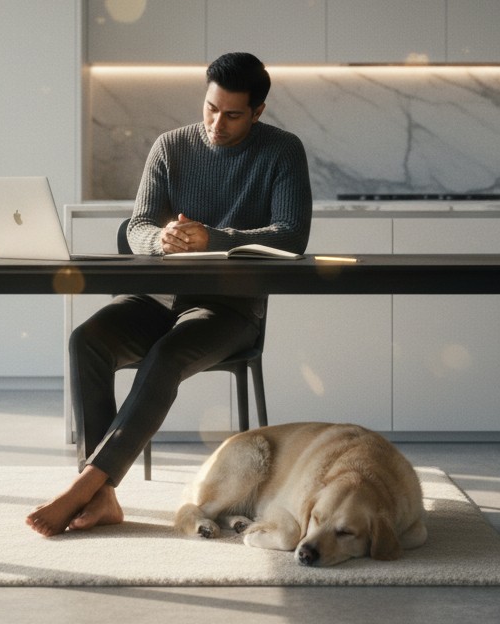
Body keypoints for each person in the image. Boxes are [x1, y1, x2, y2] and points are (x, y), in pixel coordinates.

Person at [26, 52, 312, 536]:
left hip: (229, 308)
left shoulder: (282, 151)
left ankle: (88, 484)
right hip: (155, 298)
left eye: (232, 115)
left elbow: (291, 235)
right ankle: (105, 497)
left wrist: (212, 239)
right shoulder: (171, 146)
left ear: (258, 112)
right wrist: (160, 240)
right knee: (86, 341)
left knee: (166, 355)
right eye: (210, 108)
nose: (216, 124)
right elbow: (137, 225)